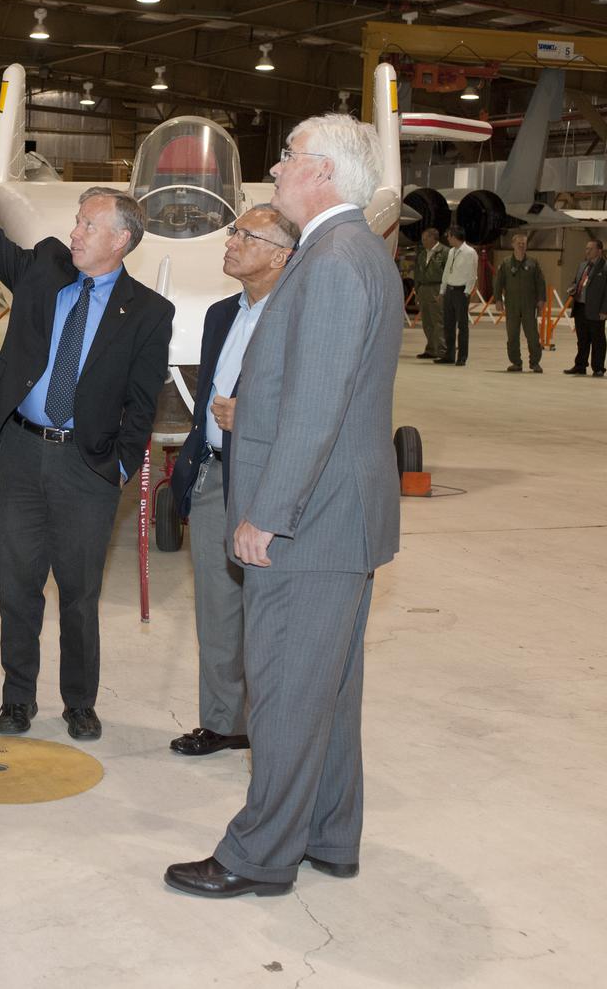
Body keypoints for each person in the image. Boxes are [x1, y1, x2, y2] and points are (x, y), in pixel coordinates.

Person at [164, 113, 402, 898]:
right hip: (340, 519)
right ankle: (328, 833)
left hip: (310, 522)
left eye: (289, 156)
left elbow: (315, 406)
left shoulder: (330, 260)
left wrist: (269, 514)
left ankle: (259, 852)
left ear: (324, 172)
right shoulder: (355, 251)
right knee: (327, 689)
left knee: (286, 692)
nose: (276, 168)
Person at [0, 123, 173, 742]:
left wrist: (116, 468)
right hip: (25, 453)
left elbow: (143, 405)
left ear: (121, 240)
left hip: (87, 467)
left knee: (80, 595)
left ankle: (79, 702)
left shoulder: (149, 313)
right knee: (18, 588)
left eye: (88, 224)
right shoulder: (43, 269)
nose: (74, 232)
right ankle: (17, 698)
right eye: (77, 222)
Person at [167, 205, 299, 759]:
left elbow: (321, 403)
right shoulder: (222, 313)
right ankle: (224, 723)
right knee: (217, 610)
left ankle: (276, 727)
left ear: (281, 256)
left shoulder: (299, 318)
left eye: (246, 235)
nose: (230, 241)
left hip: (273, 481)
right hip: (215, 476)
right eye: (233, 231)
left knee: (273, 614)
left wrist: (254, 417)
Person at [492, 233, 545, 373]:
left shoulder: (533, 263)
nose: (521, 245)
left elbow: (540, 283)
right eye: (519, 243)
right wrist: (498, 299)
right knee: (512, 335)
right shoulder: (506, 263)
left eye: (524, 243)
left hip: (529, 305)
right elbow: (498, 283)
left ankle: (535, 363)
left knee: (533, 335)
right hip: (512, 305)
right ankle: (516, 362)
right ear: (513, 244)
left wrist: (541, 300)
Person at [564, 238, 607, 377]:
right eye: (586, 248)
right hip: (580, 307)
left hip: (596, 310)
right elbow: (576, 282)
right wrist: (572, 288)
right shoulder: (582, 265)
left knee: (598, 340)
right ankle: (580, 365)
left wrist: (604, 310)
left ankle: (598, 368)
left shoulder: (605, 267)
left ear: (599, 251)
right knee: (582, 339)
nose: (587, 251)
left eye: (590, 249)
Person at [436, 225, 476, 366]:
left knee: (462, 326)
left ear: (454, 236)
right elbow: (447, 272)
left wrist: (467, 292)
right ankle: (449, 354)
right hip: (450, 290)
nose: (447, 238)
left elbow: (472, 274)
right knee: (448, 324)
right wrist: (442, 291)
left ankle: (462, 356)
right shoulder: (452, 251)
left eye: (449, 236)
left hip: (461, 291)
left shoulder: (470, 252)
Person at [412, 227, 447, 360]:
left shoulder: (444, 252)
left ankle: (442, 349)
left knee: (438, 320)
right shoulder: (422, 254)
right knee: (427, 321)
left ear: (433, 238)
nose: (423, 241)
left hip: (437, 288)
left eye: (425, 238)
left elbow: (448, 273)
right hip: (423, 289)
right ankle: (431, 348)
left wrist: (444, 292)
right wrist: (417, 291)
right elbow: (417, 274)